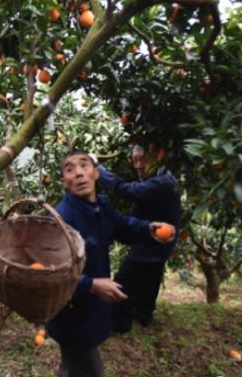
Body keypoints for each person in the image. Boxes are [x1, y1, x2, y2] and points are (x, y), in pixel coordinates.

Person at [45, 151, 175, 377]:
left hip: (92, 312)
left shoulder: (102, 207)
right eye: (69, 169)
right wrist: (91, 285)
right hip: (71, 317)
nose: (78, 173)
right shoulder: (59, 220)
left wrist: (149, 229)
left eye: (84, 166)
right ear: (64, 183)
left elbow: (123, 226)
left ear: (96, 173)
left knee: (71, 367)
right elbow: (50, 274)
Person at [92, 145, 181, 332]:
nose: (138, 165)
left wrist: (97, 168)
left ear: (157, 158)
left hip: (152, 245)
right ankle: (144, 316)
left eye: (143, 159)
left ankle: (118, 324)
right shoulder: (159, 177)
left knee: (122, 282)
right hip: (155, 243)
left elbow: (126, 191)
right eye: (135, 160)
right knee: (151, 278)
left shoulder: (163, 182)